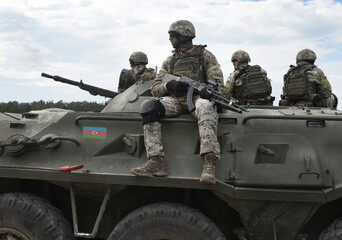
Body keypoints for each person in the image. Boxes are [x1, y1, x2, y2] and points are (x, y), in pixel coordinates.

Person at [131, 20, 227, 184]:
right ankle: (156, 161)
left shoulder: (205, 56)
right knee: (149, 106)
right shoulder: (170, 61)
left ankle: (209, 161)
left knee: (205, 105)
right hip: (175, 101)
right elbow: (155, 88)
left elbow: (219, 86)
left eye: (172, 35)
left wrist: (205, 91)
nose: (170, 38)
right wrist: (169, 85)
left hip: (197, 100)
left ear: (184, 35)